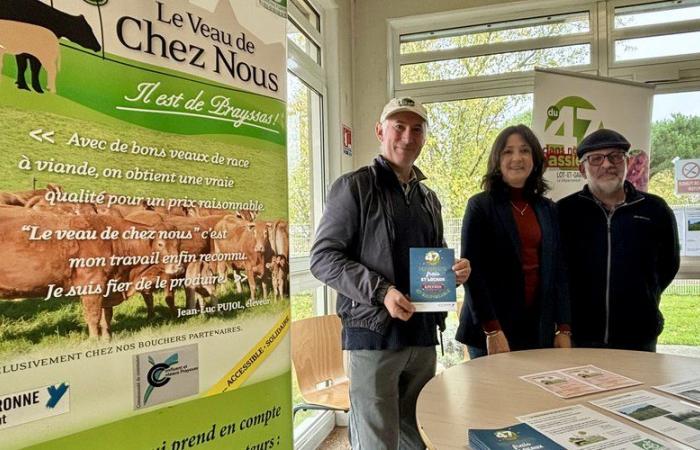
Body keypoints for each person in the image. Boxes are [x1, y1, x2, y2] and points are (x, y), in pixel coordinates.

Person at [309, 97, 471, 449]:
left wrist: (453, 271)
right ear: (380, 131)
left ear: (425, 138)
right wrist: (382, 291)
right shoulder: (354, 187)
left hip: (423, 337)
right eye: (399, 127)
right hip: (374, 337)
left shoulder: (429, 198)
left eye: (417, 129)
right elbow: (323, 258)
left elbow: (433, 256)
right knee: (376, 441)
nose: (407, 137)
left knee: (417, 435)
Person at [557, 128, 680, 352]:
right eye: (596, 159)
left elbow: (668, 266)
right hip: (579, 336)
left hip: (639, 336)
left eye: (615, 156)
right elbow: (556, 271)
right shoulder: (563, 212)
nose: (607, 165)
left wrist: (642, 296)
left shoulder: (656, 209)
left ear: (627, 163)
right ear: (582, 169)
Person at [455, 124, 572, 359]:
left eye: (525, 150)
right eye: (508, 151)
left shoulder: (548, 209)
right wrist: (492, 330)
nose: (517, 158)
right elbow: (472, 273)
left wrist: (564, 327)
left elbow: (558, 270)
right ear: (497, 160)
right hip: (492, 330)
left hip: (538, 329)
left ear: (535, 158)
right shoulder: (480, 206)